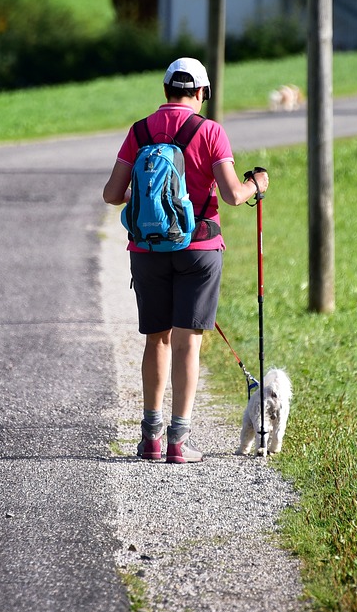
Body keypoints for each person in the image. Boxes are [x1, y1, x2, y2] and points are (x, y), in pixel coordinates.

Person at [102, 58, 270, 464]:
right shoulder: (210, 131)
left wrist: (148, 203)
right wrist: (257, 183)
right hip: (199, 249)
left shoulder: (139, 131)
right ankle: (178, 442)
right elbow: (231, 194)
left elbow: (111, 193)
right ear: (201, 93)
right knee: (187, 343)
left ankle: (150, 439)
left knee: (156, 338)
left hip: (147, 250)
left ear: (164, 92)